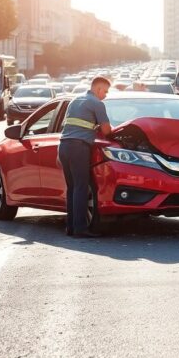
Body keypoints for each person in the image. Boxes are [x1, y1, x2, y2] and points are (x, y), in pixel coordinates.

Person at [58, 76, 112, 238]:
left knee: (72, 188)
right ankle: (81, 228)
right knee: (81, 187)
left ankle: (71, 226)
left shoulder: (75, 100)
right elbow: (107, 130)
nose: (106, 95)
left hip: (64, 146)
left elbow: (67, 126)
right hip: (79, 147)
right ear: (98, 89)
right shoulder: (97, 103)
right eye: (105, 91)